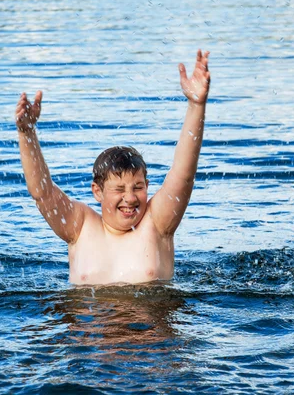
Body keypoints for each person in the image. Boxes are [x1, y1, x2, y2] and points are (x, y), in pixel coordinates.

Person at [15, 50, 211, 285]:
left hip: (149, 318)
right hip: (89, 319)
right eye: (119, 189)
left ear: (148, 186)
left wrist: (196, 105)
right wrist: (26, 133)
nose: (130, 198)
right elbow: (41, 191)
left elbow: (183, 175)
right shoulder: (80, 226)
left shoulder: (156, 222)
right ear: (97, 191)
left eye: (138, 187)